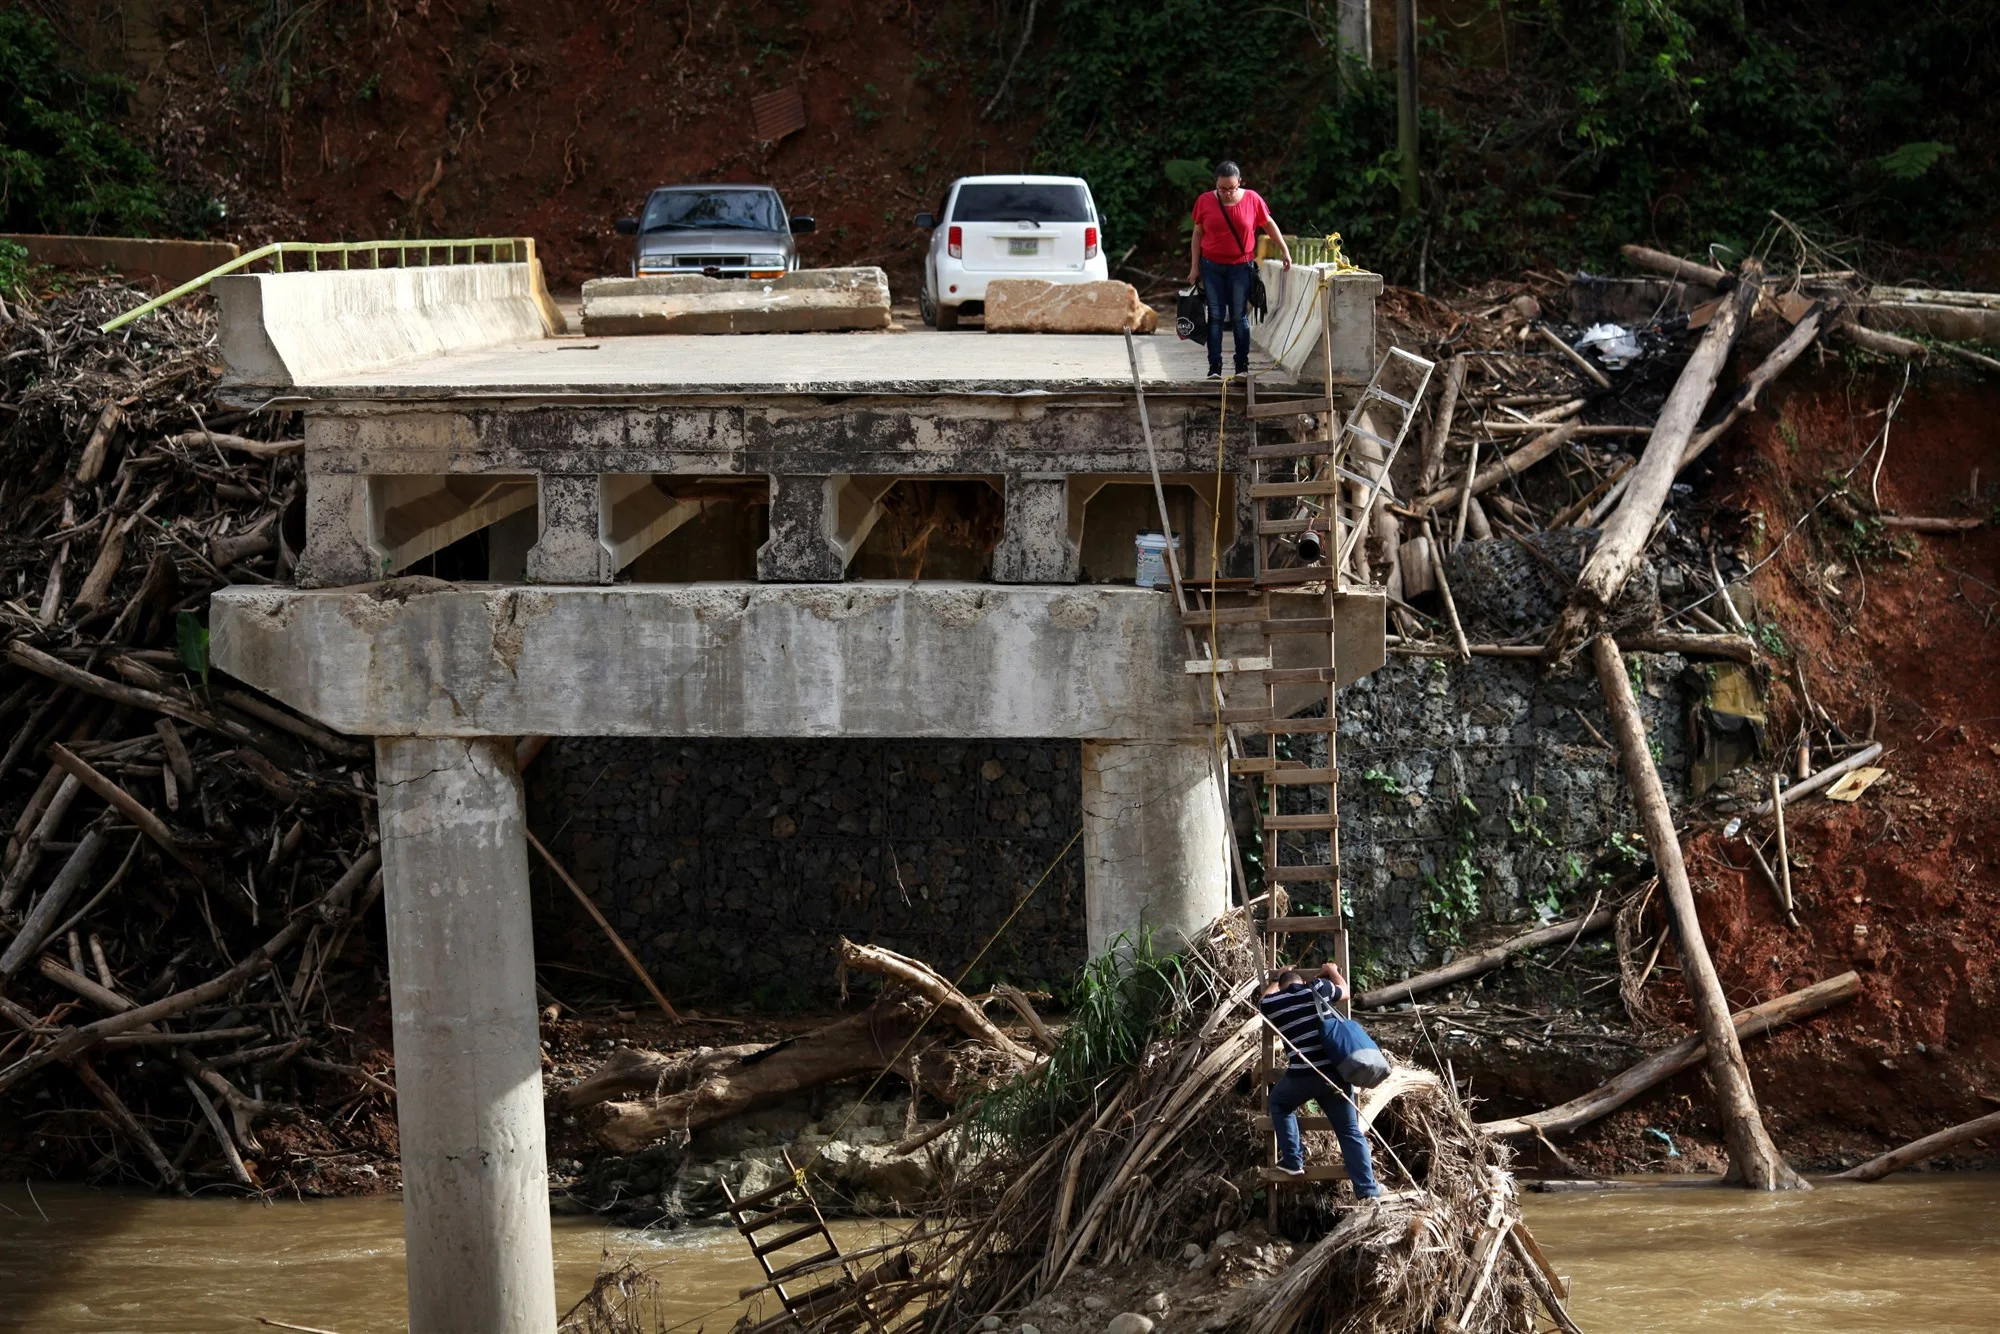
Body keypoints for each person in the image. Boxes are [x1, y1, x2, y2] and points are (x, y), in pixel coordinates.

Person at [1256, 961, 1382, 1198]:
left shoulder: (1275, 1003)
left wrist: (1276, 978)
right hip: (1333, 1076)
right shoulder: (1319, 988)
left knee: (1279, 1104)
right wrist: (1331, 970)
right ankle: (1368, 1191)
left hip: (1301, 1076)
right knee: (1349, 1131)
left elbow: (1263, 1001)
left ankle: (1293, 1160)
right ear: (1302, 982)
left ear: (1281, 987)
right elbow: (1345, 992)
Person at [1186, 161, 1292, 380]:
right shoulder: (1204, 201)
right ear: (1215, 184)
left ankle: (1242, 365)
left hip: (1241, 267)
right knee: (1215, 315)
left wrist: (1284, 250)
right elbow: (1197, 234)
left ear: (1240, 182)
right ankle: (1214, 366)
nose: (1227, 193)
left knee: (1239, 315)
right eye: (1222, 189)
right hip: (1212, 266)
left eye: (1231, 188)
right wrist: (1194, 266)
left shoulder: (1252, 199)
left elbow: (1268, 224)